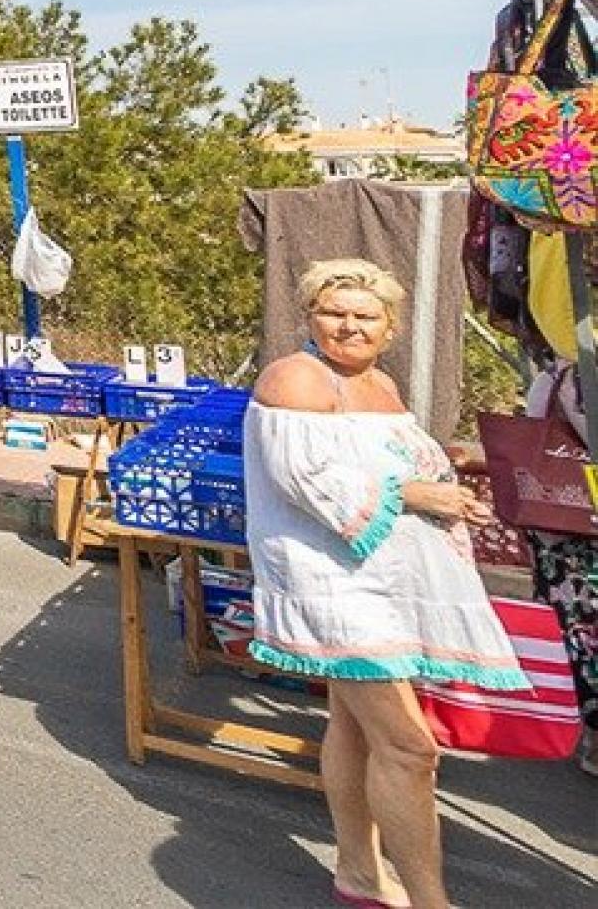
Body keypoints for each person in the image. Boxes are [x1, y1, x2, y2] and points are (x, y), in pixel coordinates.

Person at [244, 259, 527, 909]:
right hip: (331, 584)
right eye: (333, 311)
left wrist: (445, 461)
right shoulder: (295, 378)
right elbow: (306, 478)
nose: (348, 324)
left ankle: (358, 874)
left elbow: (380, 454)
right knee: (410, 746)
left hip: (377, 581)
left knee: (352, 724)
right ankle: (432, 902)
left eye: (364, 314)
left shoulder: (381, 384)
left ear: (390, 327)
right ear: (310, 316)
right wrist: (418, 491)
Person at [518, 352, 598, 777]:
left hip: (560, 525)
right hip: (572, 531)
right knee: (582, 628)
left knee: (576, 628)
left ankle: (589, 732)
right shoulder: (576, 371)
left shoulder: (559, 371)